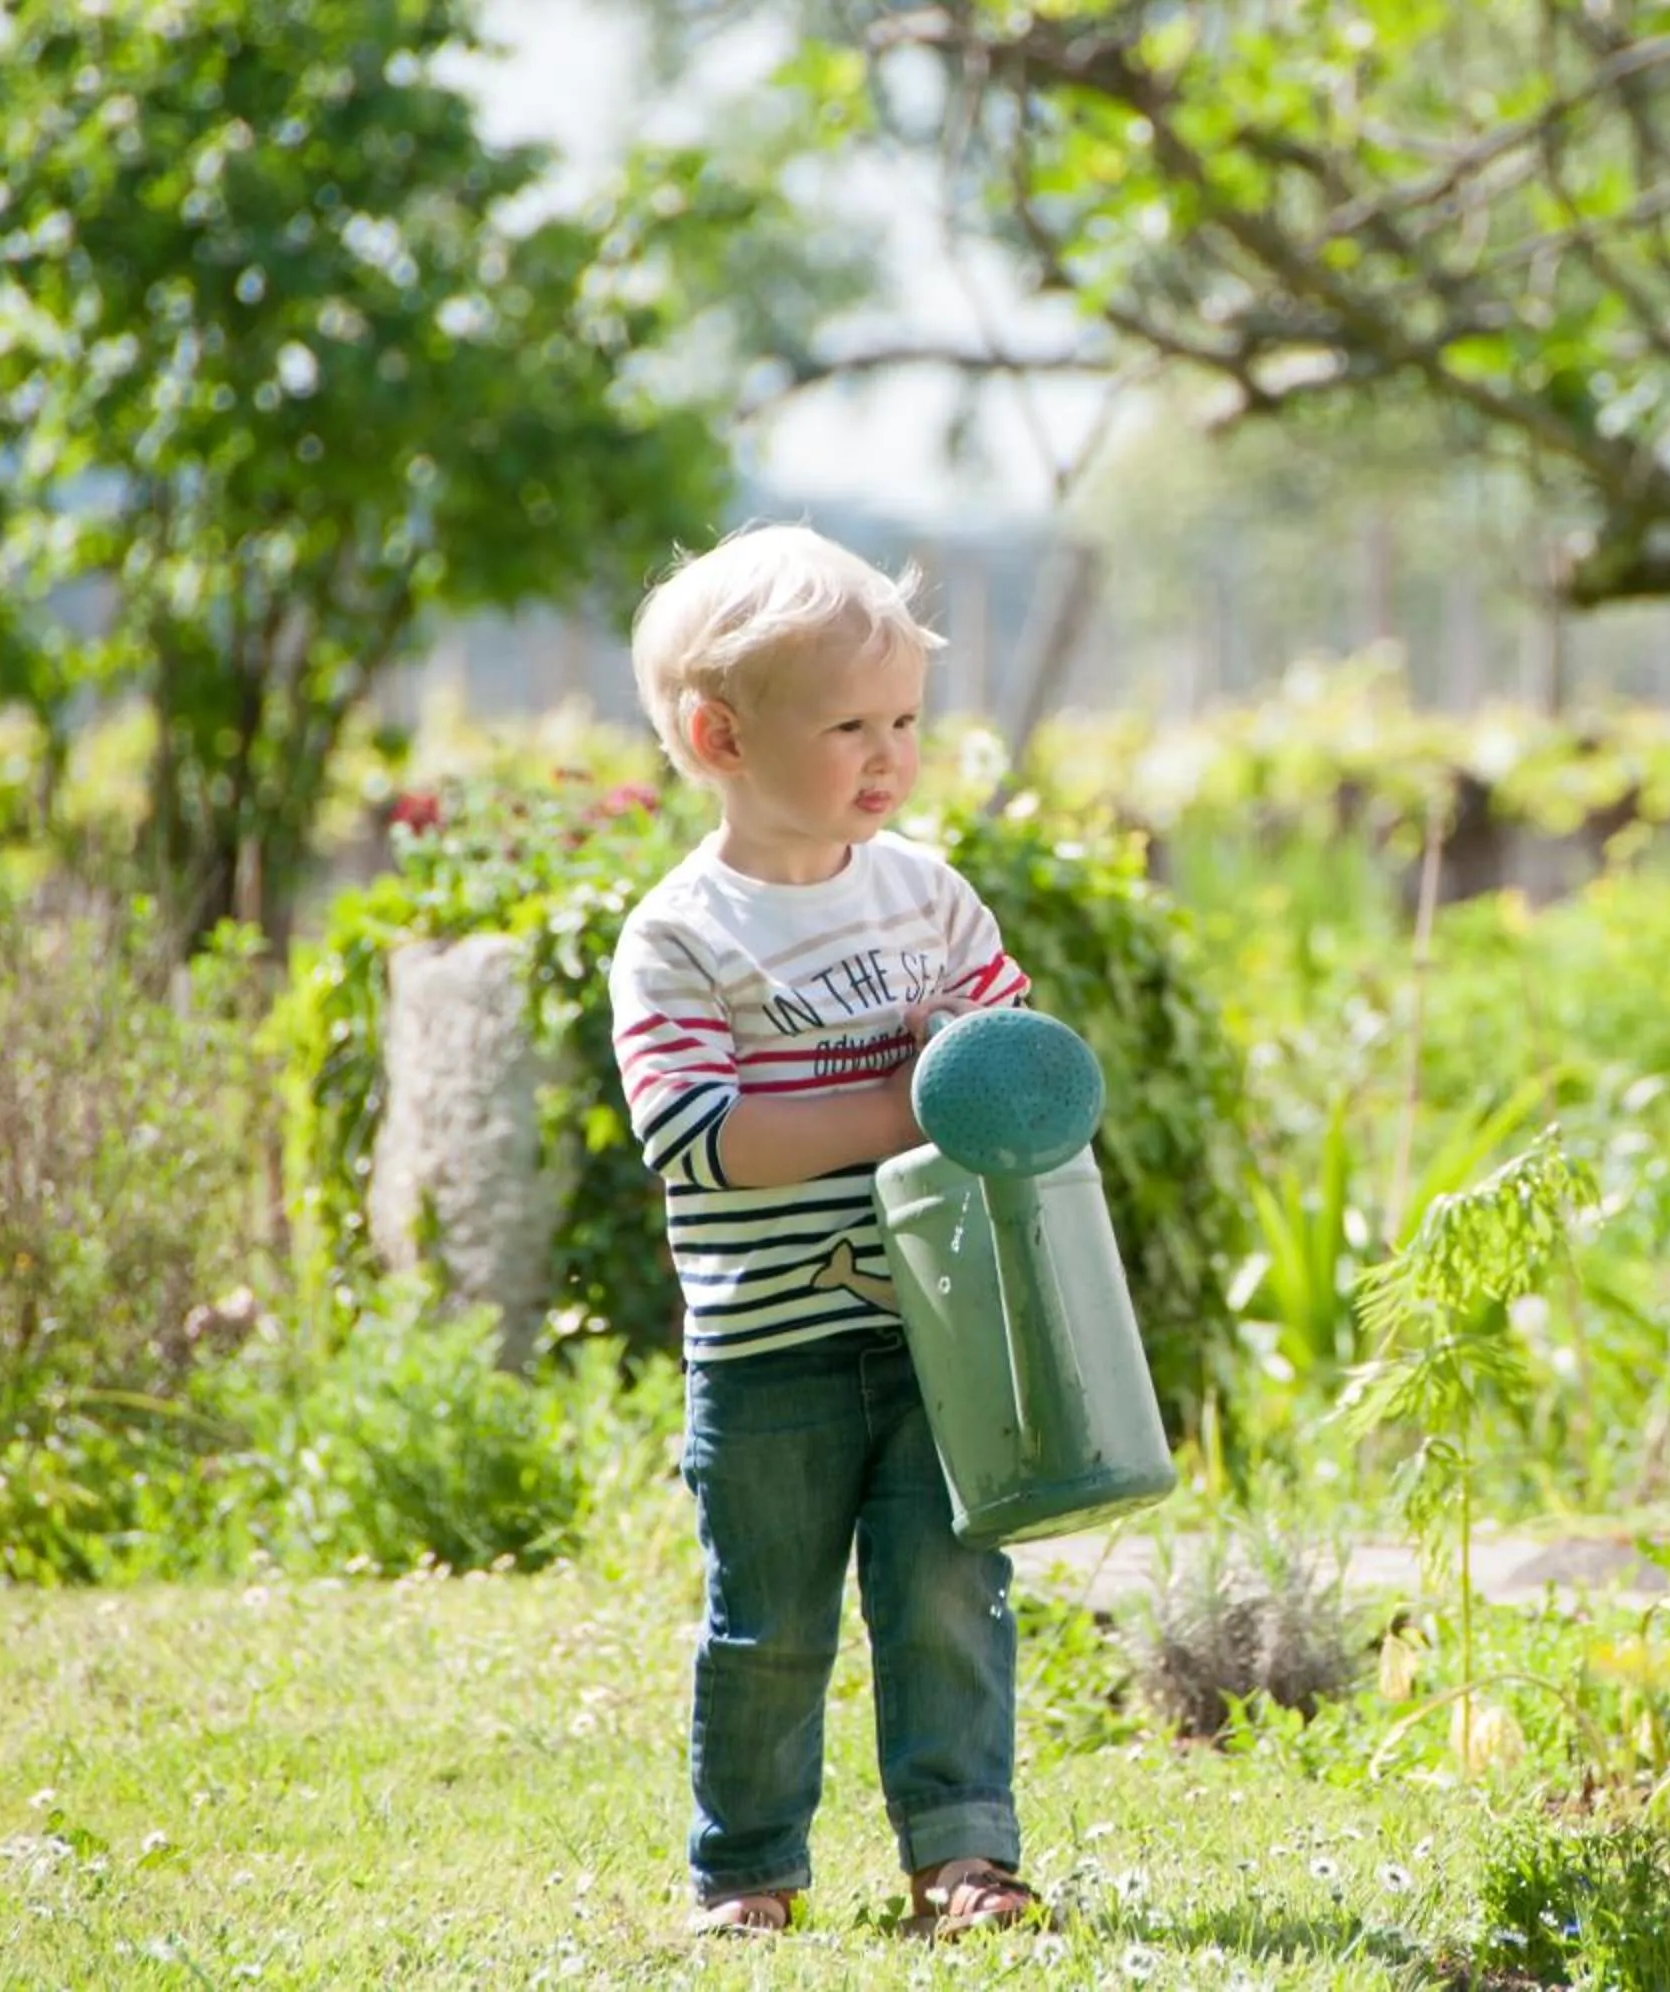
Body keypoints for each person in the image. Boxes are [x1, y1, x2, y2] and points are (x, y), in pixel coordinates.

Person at [606, 522, 1045, 1940]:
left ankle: (963, 1857)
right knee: (769, 1629)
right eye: (848, 723)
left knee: (948, 1598)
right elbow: (709, 1141)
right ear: (719, 734)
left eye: (905, 719)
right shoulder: (681, 935)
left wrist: (999, 1063)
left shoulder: (928, 895)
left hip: (938, 1333)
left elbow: (1009, 1048)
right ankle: (748, 1872)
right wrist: (908, 1103)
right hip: (770, 1352)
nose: (889, 753)